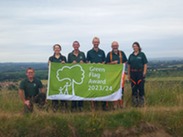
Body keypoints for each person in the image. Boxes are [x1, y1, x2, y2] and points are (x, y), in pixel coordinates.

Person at [106, 41, 127, 110]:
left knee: (121, 89)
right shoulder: (109, 54)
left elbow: (125, 62)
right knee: (114, 89)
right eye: (113, 46)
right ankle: (114, 105)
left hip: (121, 75)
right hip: (113, 75)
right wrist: (112, 63)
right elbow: (106, 64)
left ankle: (121, 104)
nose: (115, 47)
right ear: (111, 47)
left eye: (116, 45)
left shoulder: (122, 53)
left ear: (118, 46)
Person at [87, 37, 106, 111]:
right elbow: (87, 62)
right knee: (93, 90)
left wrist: (101, 64)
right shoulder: (89, 52)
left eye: (97, 42)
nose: (96, 43)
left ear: (99, 43)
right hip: (93, 74)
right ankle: (94, 106)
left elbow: (105, 62)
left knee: (101, 89)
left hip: (101, 74)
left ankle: (103, 106)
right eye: (95, 42)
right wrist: (92, 64)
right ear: (92, 43)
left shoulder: (102, 52)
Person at [48, 44, 68, 112]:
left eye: (58, 48)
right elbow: (49, 68)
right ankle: (55, 107)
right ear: (54, 49)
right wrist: (49, 64)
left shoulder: (63, 58)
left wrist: (64, 63)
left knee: (63, 91)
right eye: (55, 48)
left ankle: (63, 108)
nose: (57, 49)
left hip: (62, 78)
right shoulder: (51, 58)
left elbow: (67, 68)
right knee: (55, 92)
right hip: (54, 79)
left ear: (60, 49)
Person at [128, 42, 148, 107]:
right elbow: (128, 65)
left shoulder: (142, 55)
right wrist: (128, 74)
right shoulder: (131, 56)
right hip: (133, 73)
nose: (135, 47)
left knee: (141, 88)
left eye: (136, 46)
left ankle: (142, 103)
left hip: (140, 73)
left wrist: (144, 72)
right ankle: (134, 104)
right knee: (134, 88)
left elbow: (145, 64)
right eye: (133, 46)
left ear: (138, 47)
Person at [68, 41, 86, 112]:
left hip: (81, 75)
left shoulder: (82, 54)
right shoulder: (70, 55)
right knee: (73, 90)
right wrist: (71, 64)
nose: (76, 46)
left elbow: (86, 64)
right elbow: (67, 65)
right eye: (74, 45)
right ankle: (73, 107)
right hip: (73, 75)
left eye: (77, 45)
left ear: (79, 45)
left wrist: (83, 63)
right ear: (72, 46)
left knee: (80, 91)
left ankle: (80, 106)